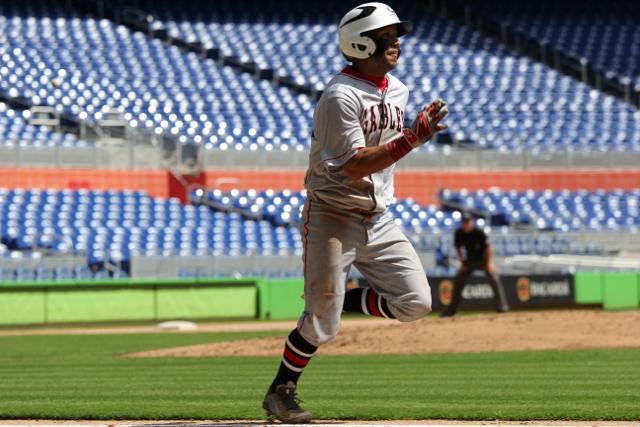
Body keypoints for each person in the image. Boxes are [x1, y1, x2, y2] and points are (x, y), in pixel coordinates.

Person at [262, 2, 449, 423]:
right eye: (386, 36)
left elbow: (382, 155)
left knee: (415, 303)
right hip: (332, 214)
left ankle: (338, 301)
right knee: (321, 325)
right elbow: (353, 165)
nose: (396, 42)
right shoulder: (339, 96)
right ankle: (281, 391)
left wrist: (412, 136)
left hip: (378, 216)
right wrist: (413, 139)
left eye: (396, 34)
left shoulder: (396, 90)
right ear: (360, 43)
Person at [440, 213, 510, 317]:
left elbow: (488, 248)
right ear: (461, 223)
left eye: (467, 222)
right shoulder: (459, 233)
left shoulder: (479, 233)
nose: (466, 224)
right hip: (470, 261)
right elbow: (458, 249)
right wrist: (463, 263)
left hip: (483, 260)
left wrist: (488, 263)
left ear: (471, 222)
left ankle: (502, 306)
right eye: (464, 222)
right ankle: (452, 310)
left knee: (494, 279)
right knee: (458, 281)